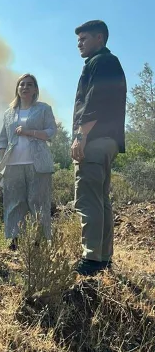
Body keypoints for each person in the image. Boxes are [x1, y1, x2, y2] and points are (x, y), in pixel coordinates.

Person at [72, 20, 126, 275]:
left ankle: (91, 259)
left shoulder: (100, 62)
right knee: (100, 199)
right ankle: (103, 258)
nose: (79, 43)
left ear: (100, 38)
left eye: (84, 39)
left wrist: (81, 135)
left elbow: (95, 100)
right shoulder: (108, 62)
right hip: (109, 140)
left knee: (88, 200)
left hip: (94, 139)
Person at [0, 74, 57, 247]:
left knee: (37, 202)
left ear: (35, 90)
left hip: (38, 164)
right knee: (14, 202)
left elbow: (51, 131)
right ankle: (15, 239)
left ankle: (38, 240)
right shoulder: (9, 113)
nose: (25, 87)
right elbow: (2, 139)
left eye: (29, 85)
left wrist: (29, 132)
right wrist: (2, 165)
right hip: (13, 163)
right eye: (22, 84)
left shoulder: (44, 108)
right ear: (17, 88)